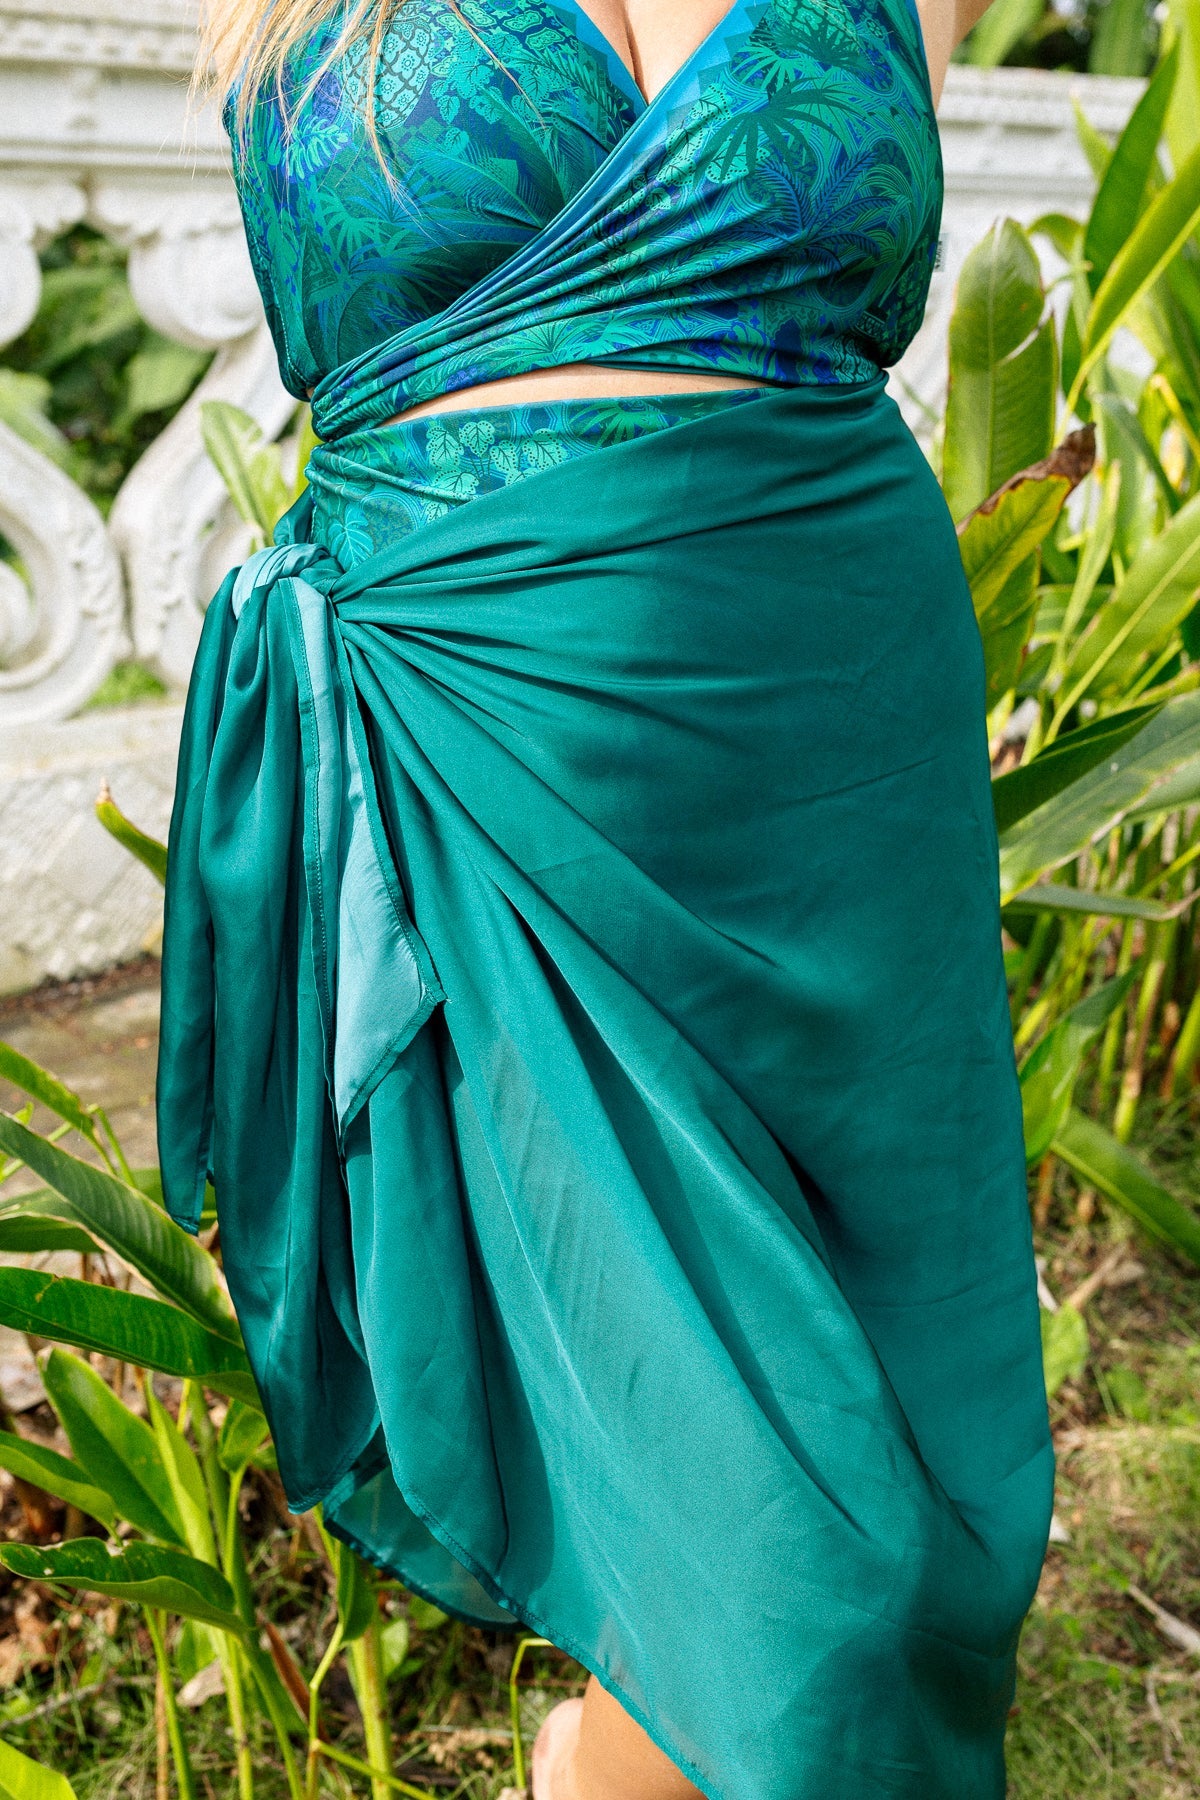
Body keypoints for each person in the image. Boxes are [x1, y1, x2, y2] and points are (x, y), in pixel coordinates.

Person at [159, 0, 1054, 1794]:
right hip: (496, 767)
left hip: (844, 783)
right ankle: (596, 1759)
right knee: (816, 1592)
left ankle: (604, 1764)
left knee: (938, 1508)